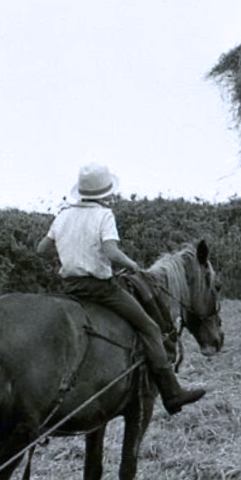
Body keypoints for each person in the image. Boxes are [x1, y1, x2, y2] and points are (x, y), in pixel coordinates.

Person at [36, 163, 205, 414]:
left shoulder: (63, 215)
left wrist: (69, 251)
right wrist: (132, 264)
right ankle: (172, 391)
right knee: (150, 327)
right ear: (105, 193)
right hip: (100, 288)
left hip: (69, 286)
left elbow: (41, 249)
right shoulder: (104, 215)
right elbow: (110, 251)